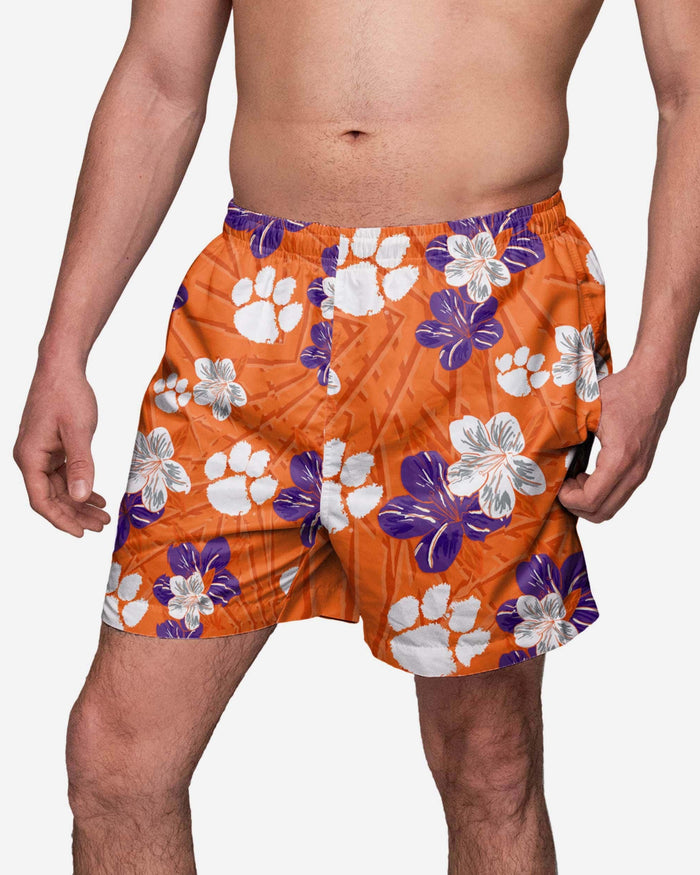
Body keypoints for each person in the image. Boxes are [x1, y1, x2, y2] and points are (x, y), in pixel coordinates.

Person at [12, 1, 699, 872]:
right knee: (115, 758)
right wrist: (63, 348)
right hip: (253, 306)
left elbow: (690, 88)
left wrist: (661, 359)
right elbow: (158, 80)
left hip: (481, 303)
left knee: (486, 761)